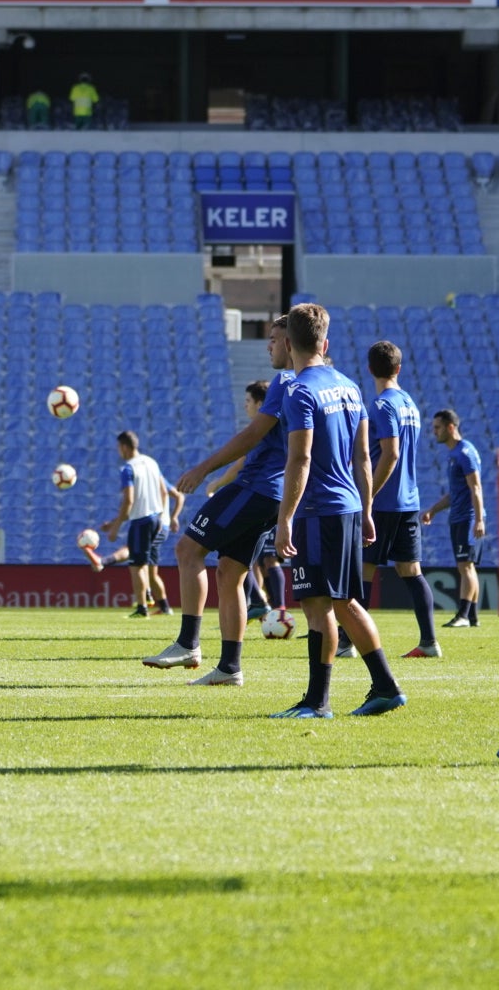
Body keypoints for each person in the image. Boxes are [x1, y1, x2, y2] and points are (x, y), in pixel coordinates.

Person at [271, 302, 406, 720]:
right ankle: (385, 686)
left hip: (317, 509)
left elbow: (300, 459)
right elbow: (364, 456)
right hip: (348, 505)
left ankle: (318, 701)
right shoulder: (349, 386)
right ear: (325, 342)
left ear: (289, 344)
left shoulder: (299, 391)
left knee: (318, 606)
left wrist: (285, 518)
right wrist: (366, 509)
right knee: (346, 601)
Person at [147, 317, 294, 686]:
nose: (268, 346)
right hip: (273, 495)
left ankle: (188, 643)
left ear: (291, 343)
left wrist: (203, 469)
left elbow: (251, 437)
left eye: (274, 339)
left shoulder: (286, 383)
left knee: (187, 550)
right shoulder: (321, 384)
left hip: (255, 488)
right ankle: (230, 667)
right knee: (230, 573)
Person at [360, 340, 440, 659]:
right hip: (409, 500)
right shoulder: (409, 403)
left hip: (382, 503)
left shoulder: (381, 406)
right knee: (410, 570)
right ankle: (429, 642)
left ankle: (351, 643)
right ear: (398, 369)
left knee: (364, 569)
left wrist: (368, 497)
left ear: (370, 370)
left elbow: (390, 454)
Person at [205, 379, 296, 638]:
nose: (245, 406)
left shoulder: (267, 429)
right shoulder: (264, 428)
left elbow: (243, 461)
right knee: (242, 562)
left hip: (264, 495)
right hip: (269, 497)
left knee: (263, 559)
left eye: (248, 402)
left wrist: (215, 480)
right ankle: (256, 605)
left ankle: (273, 606)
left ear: (261, 403)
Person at [97, 431, 182, 619]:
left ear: (125, 447)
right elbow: (163, 491)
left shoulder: (128, 468)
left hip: (141, 521)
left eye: (119, 448)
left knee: (137, 566)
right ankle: (164, 606)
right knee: (150, 567)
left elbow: (129, 500)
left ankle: (142, 607)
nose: (119, 452)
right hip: (156, 519)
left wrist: (115, 528)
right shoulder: (151, 463)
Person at [421, 409, 484, 628]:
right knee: (466, 567)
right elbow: (455, 493)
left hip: (467, 517)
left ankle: (464, 615)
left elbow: (475, 488)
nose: (434, 432)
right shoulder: (454, 454)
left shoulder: (465, 453)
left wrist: (478, 519)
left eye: (437, 427)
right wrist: (433, 510)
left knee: (465, 566)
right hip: (458, 517)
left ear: (450, 427)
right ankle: (473, 616)